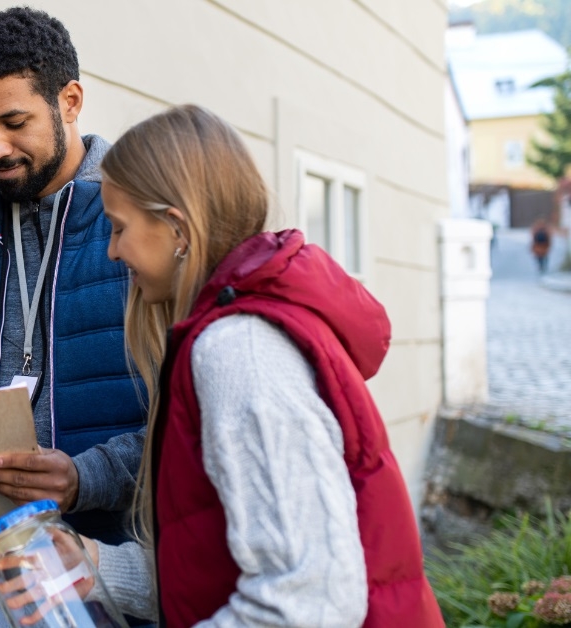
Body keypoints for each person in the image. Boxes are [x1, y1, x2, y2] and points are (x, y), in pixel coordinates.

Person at [78, 104, 444, 626]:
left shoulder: (239, 351)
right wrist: (99, 567)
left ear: (177, 228)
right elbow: (216, 562)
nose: (112, 251)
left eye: (118, 227)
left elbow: (308, 600)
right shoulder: (235, 332)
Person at [0, 7, 147, 626]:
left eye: (14, 122)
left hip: (113, 571)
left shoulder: (142, 230)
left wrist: (83, 478)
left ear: (69, 101)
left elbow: (187, 419)